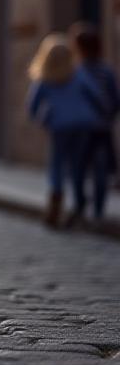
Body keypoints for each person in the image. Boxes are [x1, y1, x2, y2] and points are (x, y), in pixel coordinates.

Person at [28, 33, 108, 228]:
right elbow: (96, 95)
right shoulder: (78, 74)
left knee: (57, 163)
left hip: (60, 126)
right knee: (77, 165)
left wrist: (43, 120)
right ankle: (79, 202)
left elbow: (32, 106)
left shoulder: (45, 78)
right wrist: (102, 113)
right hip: (83, 124)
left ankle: (56, 199)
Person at [70, 23, 117, 224]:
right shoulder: (106, 71)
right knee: (100, 169)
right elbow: (116, 97)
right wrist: (109, 116)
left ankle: (81, 203)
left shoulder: (76, 72)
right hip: (102, 127)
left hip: (82, 128)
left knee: (79, 168)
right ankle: (97, 209)